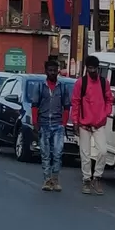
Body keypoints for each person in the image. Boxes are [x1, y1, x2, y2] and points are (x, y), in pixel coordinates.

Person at [28, 56, 74, 190]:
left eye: (54, 70)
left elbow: (67, 106)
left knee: (58, 153)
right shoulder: (40, 87)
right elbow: (34, 105)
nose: (52, 73)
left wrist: (63, 123)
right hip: (43, 124)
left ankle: (55, 179)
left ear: (58, 71)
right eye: (50, 70)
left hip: (58, 125)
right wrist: (35, 123)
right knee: (45, 153)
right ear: (46, 71)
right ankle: (47, 180)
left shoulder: (62, 88)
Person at [71, 55, 113, 190]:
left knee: (103, 151)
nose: (92, 71)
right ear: (87, 68)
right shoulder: (81, 83)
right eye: (90, 68)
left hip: (99, 124)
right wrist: (75, 122)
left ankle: (97, 177)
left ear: (98, 68)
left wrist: (105, 113)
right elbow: (75, 103)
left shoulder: (104, 83)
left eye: (94, 68)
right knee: (85, 154)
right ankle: (86, 180)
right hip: (84, 124)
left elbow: (109, 99)